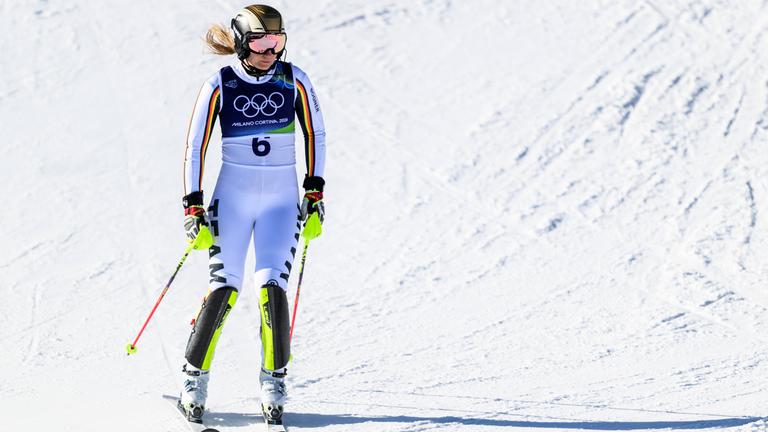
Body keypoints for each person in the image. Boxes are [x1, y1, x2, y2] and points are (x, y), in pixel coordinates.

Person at [177, 4, 326, 425]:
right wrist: (192, 205)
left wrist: (314, 193)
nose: (270, 51)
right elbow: (194, 147)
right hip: (233, 201)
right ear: (242, 43)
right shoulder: (220, 84)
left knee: (272, 290)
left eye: (277, 42)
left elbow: (315, 132)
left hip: (281, 201)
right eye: (261, 42)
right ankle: (193, 378)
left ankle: (273, 383)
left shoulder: (294, 79)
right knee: (224, 288)